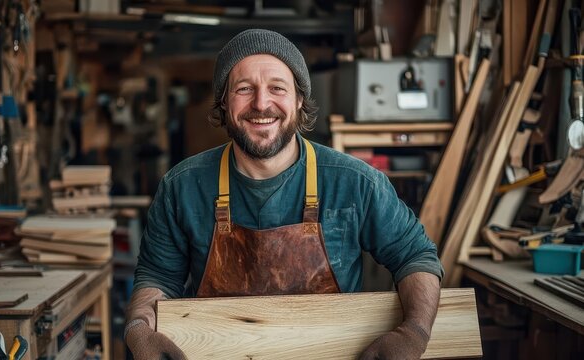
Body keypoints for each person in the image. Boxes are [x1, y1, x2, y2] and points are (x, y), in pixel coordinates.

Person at [124, 29, 444, 360]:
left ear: (299, 99)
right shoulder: (182, 187)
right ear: (223, 101)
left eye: (277, 88)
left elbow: (415, 257)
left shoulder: (355, 183)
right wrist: (139, 329)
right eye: (244, 89)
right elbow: (157, 278)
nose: (261, 104)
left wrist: (413, 332)